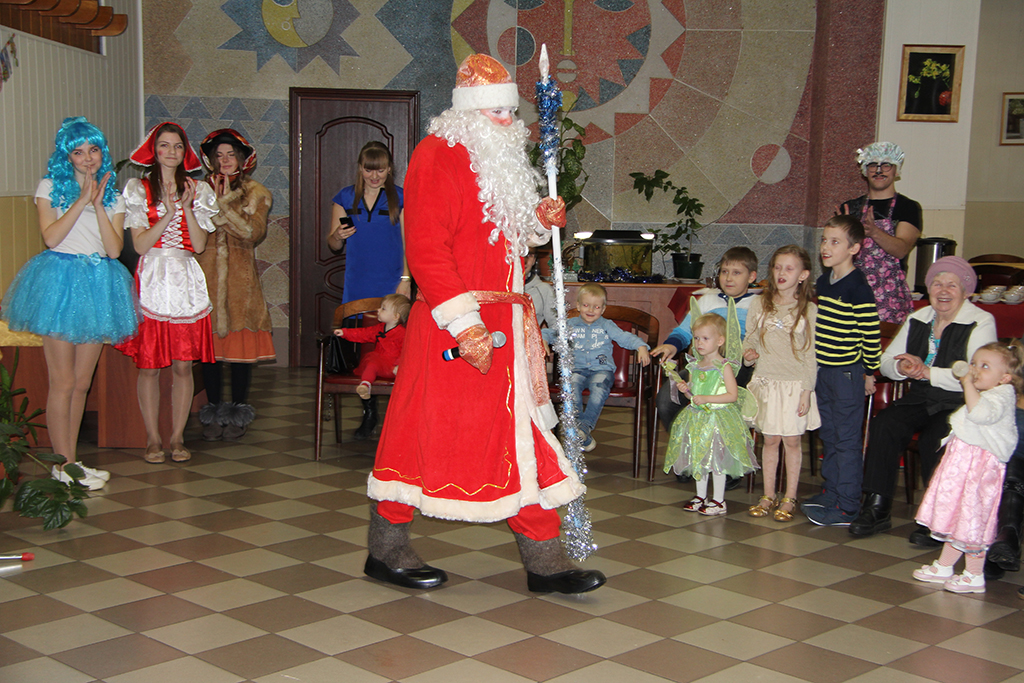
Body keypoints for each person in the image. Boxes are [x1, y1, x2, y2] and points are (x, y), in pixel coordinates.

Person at [365, 53, 605, 595]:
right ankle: (386, 548)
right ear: (469, 111)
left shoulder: (503, 158)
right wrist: (466, 325)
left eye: (510, 111)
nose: (507, 121)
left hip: (508, 324)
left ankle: (545, 560)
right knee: (420, 434)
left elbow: (506, 243)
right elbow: (427, 249)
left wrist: (538, 224)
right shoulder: (437, 154)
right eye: (496, 111)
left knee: (523, 435)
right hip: (455, 325)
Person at [1, 117, 138, 491]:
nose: (87, 158)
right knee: (61, 381)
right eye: (78, 152)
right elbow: (51, 238)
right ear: (67, 157)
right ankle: (60, 464)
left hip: (98, 285)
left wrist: (99, 203)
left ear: (101, 152)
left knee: (81, 382)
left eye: (93, 150)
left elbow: (114, 249)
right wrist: (81, 201)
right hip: (59, 283)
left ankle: (71, 461)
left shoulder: (114, 195)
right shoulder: (50, 187)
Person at [849, 256, 998, 541]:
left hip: (960, 401)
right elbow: (886, 362)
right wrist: (902, 367)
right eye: (937, 284)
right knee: (885, 424)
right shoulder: (918, 318)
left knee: (935, 438)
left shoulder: (980, 321)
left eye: (952, 285)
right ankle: (877, 507)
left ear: (965, 291)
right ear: (929, 289)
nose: (943, 291)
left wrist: (928, 372)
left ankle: (939, 519)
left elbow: (978, 375)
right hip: (920, 398)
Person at [117, 122, 218, 464]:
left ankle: (177, 437)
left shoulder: (199, 189)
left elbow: (199, 245)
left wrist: (186, 209)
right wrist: (168, 214)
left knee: (183, 366)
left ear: (184, 151)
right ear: (154, 150)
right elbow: (140, 245)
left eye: (177, 146)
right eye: (164, 145)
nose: (171, 152)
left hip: (186, 280)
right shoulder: (138, 188)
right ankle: (152, 438)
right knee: (148, 367)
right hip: (152, 279)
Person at [911, 342, 1022, 594]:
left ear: (1005, 378)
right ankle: (945, 565)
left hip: (979, 471)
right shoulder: (990, 392)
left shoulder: (1001, 396)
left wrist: (968, 384)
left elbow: (979, 414)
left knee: (972, 519)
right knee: (958, 516)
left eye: (985, 366)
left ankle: (974, 574)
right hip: (965, 466)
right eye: (973, 363)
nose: (975, 370)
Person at [651, 246, 759, 487]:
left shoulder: (758, 304)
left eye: (737, 273)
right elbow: (684, 331)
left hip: (740, 367)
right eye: (724, 272)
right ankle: (689, 455)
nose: (728, 278)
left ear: (751, 276)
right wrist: (671, 346)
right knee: (667, 400)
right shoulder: (708, 300)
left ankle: (729, 466)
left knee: (726, 405)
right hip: (703, 366)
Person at [195, 129, 275, 442]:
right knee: (210, 355)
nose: (225, 160)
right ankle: (213, 412)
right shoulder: (198, 190)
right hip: (205, 279)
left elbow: (252, 232)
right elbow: (194, 228)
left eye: (231, 155)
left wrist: (221, 208)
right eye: (219, 155)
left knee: (241, 353)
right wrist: (211, 205)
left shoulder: (256, 192)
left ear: (241, 159)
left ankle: (239, 413)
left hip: (242, 283)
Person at [326, 140, 410, 438]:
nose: (375, 176)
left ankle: (400, 416)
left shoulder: (401, 198)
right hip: (358, 284)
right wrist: (338, 235)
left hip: (393, 284)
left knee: (396, 348)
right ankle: (369, 413)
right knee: (367, 350)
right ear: (359, 168)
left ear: (390, 170)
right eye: (368, 169)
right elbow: (333, 244)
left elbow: (410, 243)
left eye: (381, 170)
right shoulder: (345, 197)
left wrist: (406, 279)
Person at [802, 215, 881, 526]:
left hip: (847, 373)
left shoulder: (857, 287)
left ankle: (848, 505)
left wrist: (870, 372)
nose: (826, 247)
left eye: (835, 242)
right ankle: (832, 492)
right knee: (830, 435)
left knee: (847, 440)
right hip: (825, 370)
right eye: (824, 240)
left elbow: (870, 333)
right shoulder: (824, 283)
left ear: (854, 248)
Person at [742, 246, 819, 522]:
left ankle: (790, 496)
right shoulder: (759, 303)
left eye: (789, 268)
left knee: (792, 441)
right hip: (767, 381)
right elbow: (750, 337)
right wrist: (748, 354)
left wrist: (806, 391)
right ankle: (768, 494)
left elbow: (810, 354)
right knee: (770, 439)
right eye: (777, 267)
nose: (781, 273)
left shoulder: (808, 309)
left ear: (803, 275)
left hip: (794, 385)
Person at [664, 311, 757, 515]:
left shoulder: (724, 367)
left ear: (720, 340)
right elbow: (693, 394)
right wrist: (686, 389)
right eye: (696, 338)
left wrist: (706, 398)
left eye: (705, 338)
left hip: (717, 418)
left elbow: (732, 395)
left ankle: (719, 500)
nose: (699, 343)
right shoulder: (695, 366)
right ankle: (700, 496)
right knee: (699, 457)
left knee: (717, 460)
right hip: (697, 418)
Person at [541, 283, 651, 451]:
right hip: (577, 369)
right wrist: (543, 340)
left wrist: (641, 346)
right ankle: (582, 432)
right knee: (571, 386)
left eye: (596, 307)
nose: (591, 310)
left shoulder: (606, 325)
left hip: (601, 370)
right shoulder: (570, 324)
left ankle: (583, 428)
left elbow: (624, 337)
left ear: (603, 309)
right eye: (586, 305)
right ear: (578, 306)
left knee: (598, 388)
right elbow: (549, 333)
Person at [838, 142, 922, 325]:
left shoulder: (908, 208)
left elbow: (901, 249)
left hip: (890, 299)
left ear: (896, 171)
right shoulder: (850, 208)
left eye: (886, 165)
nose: (879, 170)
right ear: (865, 171)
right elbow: (835, 255)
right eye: (872, 165)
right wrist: (838, 235)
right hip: (852, 293)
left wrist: (874, 232)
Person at [333, 294, 410, 439]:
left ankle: (397, 421)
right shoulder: (379, 328)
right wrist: (345, 332)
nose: (378, 310)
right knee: (372, 362)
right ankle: (365, 385)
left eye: (383, 308)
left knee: (372, 361)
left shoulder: (402, 333)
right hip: (377, 362)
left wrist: (398, 365)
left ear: (396, 317)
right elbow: (364, 333)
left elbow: (405, 350)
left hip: (391, 366)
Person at [524, 247, 556, 328]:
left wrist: (545, 334)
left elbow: (556, 325)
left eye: (529, 255)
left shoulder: (543, 290)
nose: (524, 261)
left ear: (534, 260)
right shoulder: (499, 288)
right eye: (520, 255)